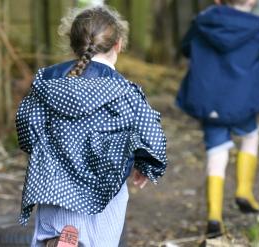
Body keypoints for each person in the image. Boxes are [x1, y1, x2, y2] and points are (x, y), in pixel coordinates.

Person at [15, 6, 168, 247]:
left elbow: (27, 126)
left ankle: (62, 237)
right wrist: (147, 165)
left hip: (52, 182)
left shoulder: (46, 81)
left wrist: (44, 151)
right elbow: (152, 136)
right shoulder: (125, 91)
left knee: (55, 228)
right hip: (104, 182)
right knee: (101, 238)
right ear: (118, 45)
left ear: (71, 43)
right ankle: (79, 240)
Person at [176, 0, 259, 239]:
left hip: (207, 100)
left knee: (216, 151)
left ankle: (214, 217)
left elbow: (186, 48)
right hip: (243, 102)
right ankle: (243, 190)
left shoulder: (201, 23)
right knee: (250, 135)